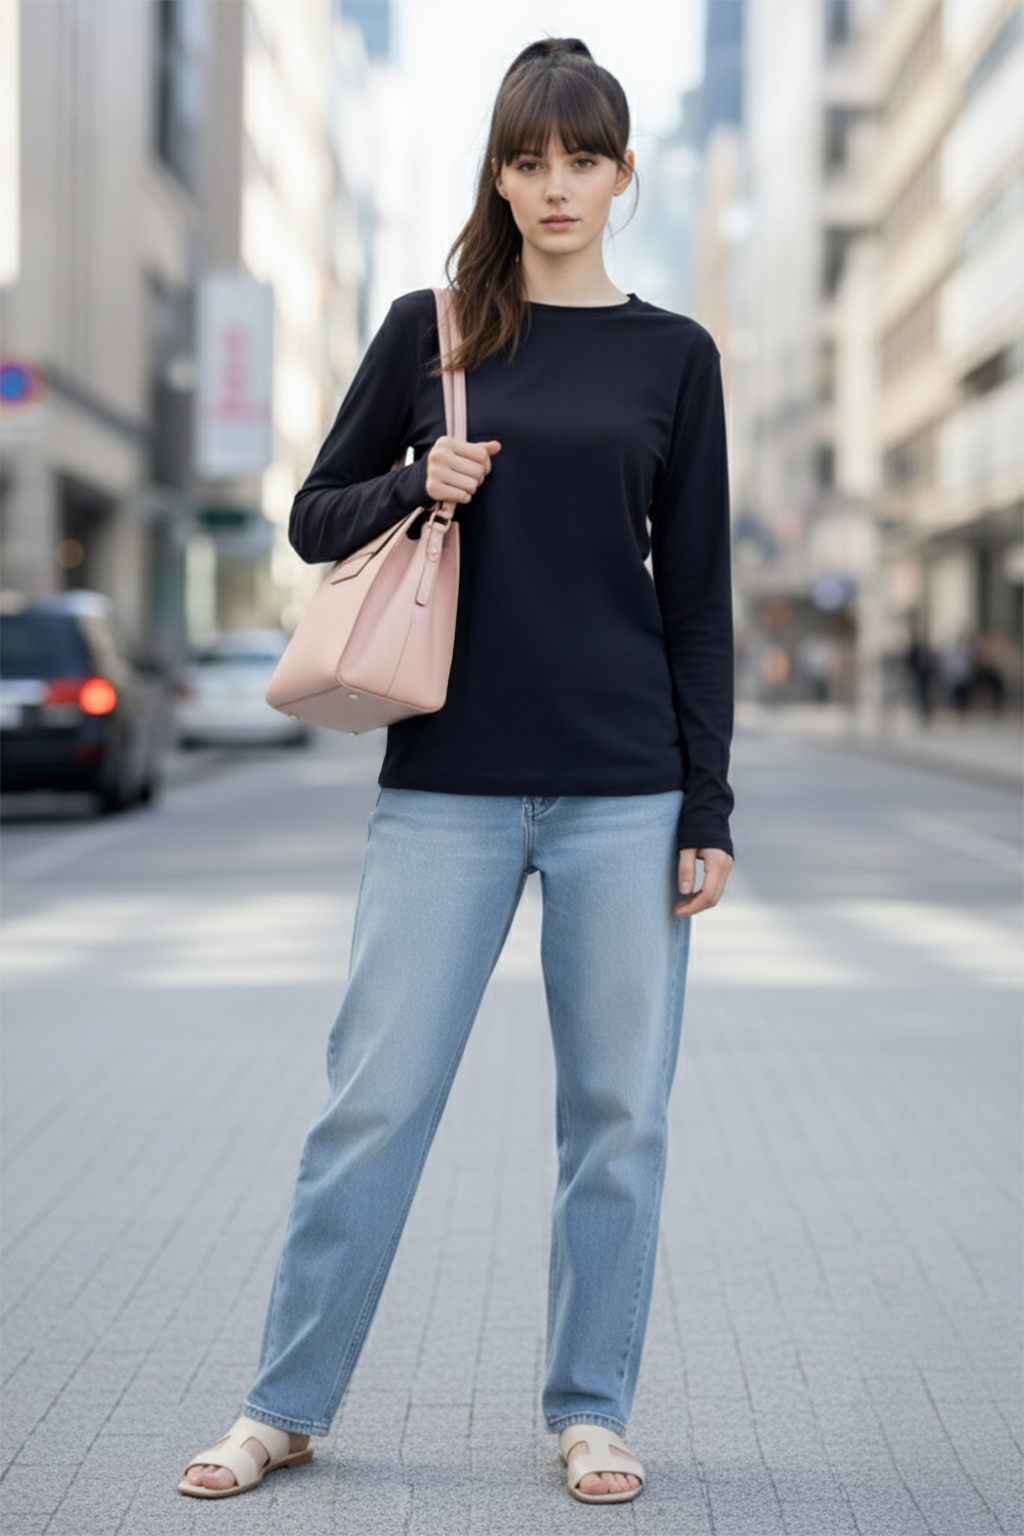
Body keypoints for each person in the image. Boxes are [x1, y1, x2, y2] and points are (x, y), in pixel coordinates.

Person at [179, 37, 734, 1508]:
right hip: (446, 786)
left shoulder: (676, 356)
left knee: (618, 1117)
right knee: (372, 1103)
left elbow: (696, 597)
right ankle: (283, 1405)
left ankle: (590, 1411)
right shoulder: (433, 331)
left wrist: (710, 807)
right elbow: (309, 518)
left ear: (622, 170)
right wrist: (411, 481)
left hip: (627, 792)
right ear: (497, 170)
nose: (555, 186)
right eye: (528, 158)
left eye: (582, 158)